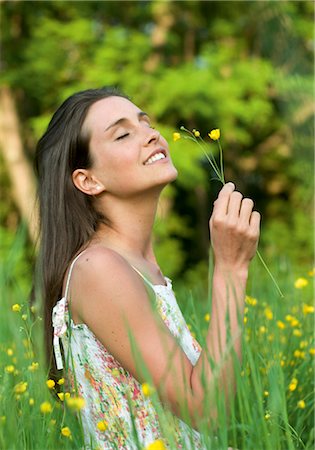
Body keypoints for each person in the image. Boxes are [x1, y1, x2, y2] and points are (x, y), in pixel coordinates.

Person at [35, 87, 260, 449]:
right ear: (88, 180)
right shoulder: (99, 268)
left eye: (146, 123)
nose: (151, 135)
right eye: (123, 134)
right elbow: (205, 411)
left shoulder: (138, 267)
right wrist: (230, 271)